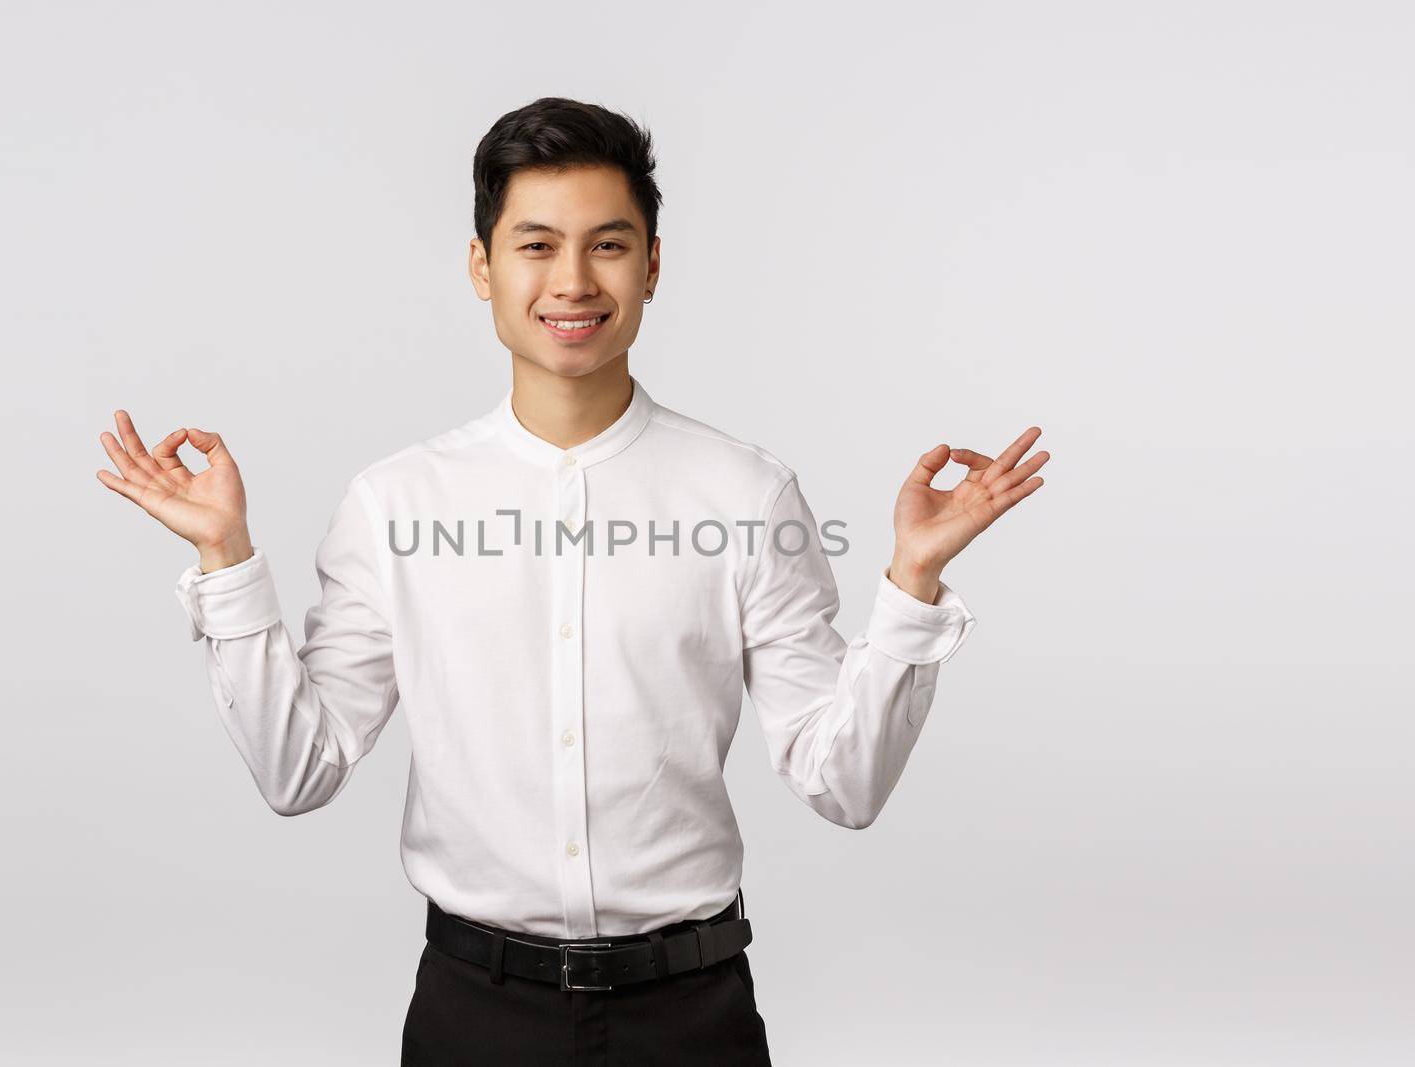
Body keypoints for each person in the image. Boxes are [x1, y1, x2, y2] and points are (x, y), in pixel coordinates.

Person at [95, 96, 1049, 1067]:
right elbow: (298, 769)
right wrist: (227, 559)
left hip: (693, 1013)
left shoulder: (747, 493)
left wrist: (911, 582)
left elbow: (842, 781)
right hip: (474, 1012)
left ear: (652, 264)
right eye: (536, 244)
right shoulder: (394, 502)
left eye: (607, 244)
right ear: (483, 266)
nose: (572, 281)